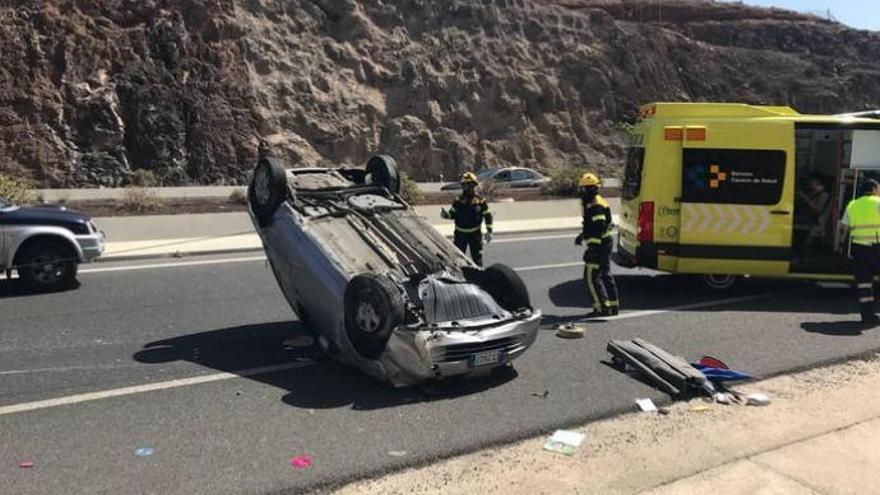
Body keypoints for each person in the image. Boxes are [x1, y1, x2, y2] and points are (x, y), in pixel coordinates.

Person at [575, 172, 619, 317]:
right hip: (605, 243)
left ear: (591, 189)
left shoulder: (594, 205)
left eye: (583, 189)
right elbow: (596, 225)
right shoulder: (597, 201)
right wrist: (583, 235)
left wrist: (593, 247)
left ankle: (601, 308)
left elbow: (599, 226)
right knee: (605, 274)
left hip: (599, 246)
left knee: (591, 277)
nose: (581, 192)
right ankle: (613, 306)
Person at [841, 178, 880, 324]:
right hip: (877, 246)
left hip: (859, 248)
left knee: (864, 283)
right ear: (874, 189)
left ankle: (867, 315)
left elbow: (844, 227)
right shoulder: (878, 202)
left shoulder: (852, 205)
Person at [441, 171, 493, 266]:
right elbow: (452, 214)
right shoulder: (458, 201)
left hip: (475, 236)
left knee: (477, 260)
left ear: (472, 185)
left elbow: (487, 215)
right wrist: (445, 215)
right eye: (463, 185)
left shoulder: (480, 200)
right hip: (460, 236)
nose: (464, 188)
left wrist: (489, 231)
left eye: (466, 185)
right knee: (457, 260)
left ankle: (479, 279)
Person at [795, 174, 831, 252]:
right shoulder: (815, 193)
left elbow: (817, 209)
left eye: (812, 182)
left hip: (818, 224)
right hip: (813, 222)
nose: (810, 184)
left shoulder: (824, 195)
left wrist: (805, 198)